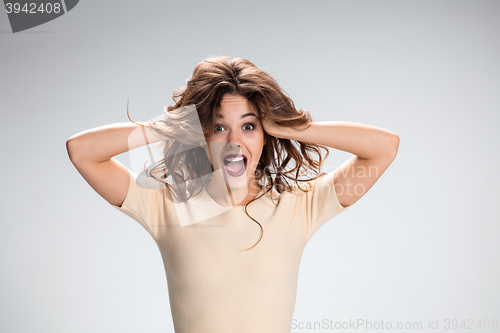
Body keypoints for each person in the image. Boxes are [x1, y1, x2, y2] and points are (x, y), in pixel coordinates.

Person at [66, 56, 399, 333]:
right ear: (201, 135)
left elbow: (384, 148)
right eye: (219, 126)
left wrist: (289, 125)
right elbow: (81, 151)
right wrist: (175, 124)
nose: (234, 141)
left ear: (265, 135)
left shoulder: (300, 204)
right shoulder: (166, 205)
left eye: (250, 126)